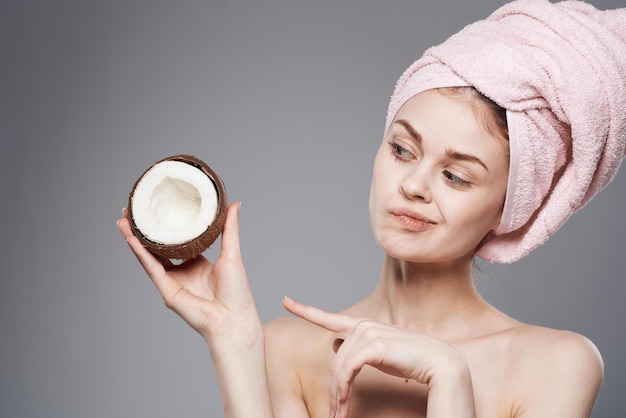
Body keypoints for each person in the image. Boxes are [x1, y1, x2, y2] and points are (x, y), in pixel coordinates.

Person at [117, 1, 626, 417]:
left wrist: (449, 378)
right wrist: (233, 341)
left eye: (456, 176)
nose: (414, 185)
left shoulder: (558, 365)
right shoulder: (282, 349)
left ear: (509, 209)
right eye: (402, 149)